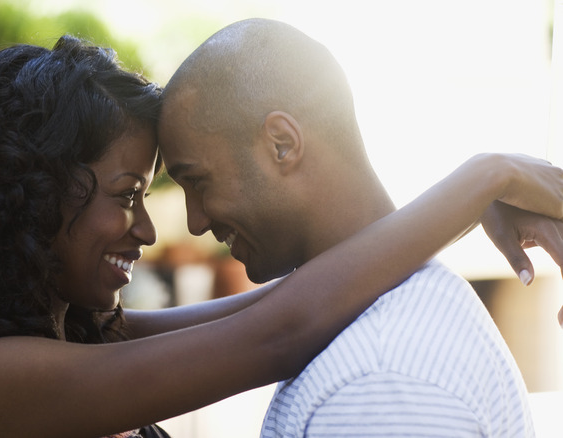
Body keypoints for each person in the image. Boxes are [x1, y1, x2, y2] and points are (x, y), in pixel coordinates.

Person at [0, 34, 563, 438]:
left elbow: (288, 301)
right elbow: (281, 330)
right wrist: (485, 177)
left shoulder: (78, 336)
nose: (149, 229)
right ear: (32, 196)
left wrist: (468, 208)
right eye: (127, 196)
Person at [157, 18, 562, 437]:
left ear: (282, 144)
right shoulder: (373, 343)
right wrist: (479, 189)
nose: (194, 222)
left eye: (198, 182)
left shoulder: (380, 380)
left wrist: (483, 187)